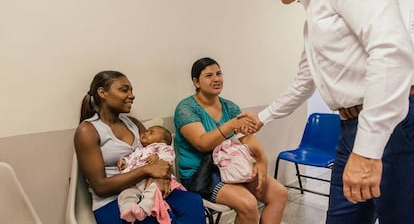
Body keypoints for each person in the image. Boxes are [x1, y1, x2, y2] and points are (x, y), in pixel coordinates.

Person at [242, 0, 414, 224]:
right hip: (348, 128)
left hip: (390, 124)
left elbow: (390, 51)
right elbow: (304, 82)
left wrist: (368, 150)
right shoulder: (313, 18)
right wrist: (263, 116)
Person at [74, 70, 205, 224]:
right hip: (113, 199)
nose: (132, 95)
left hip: (146, 189)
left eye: (131, 90)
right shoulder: (88, 130)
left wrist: (161, 176)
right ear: (102, 93)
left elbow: (158, 151)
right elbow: (101, 187)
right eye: (124, 90)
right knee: (164, 219)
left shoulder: (133, 123)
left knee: (193, 203)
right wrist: (146, 170)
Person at [174, 57, 288, 224]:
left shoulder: (230, 106)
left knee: (279, 194)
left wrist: (262, 161)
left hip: (232, 166)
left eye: (219, 74)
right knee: (248, 204)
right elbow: (202, 143)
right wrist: (232, 124)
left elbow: (247, 137)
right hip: (200, 174)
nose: (216, 79)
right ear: (196, 82)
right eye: (209, 75)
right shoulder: (186, 108)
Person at [117, 125, 185, 224]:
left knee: (152, 193)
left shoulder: (162, 147)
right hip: (135, 180)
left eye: (151, 133)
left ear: (162, 141)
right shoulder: (139, 149)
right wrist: (124, 161)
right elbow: (132, 158)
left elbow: (170, 157)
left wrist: (158, 156)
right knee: (126, 194)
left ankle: (143, 209)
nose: (146, 133)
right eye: (147, 131)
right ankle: (128, 209)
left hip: (152, 179)